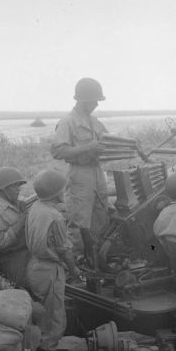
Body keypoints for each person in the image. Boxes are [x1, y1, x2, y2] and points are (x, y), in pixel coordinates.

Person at [50, 77, 109, 265]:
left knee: (101, 214)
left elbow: (107, 141)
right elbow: (57, 151)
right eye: (94, 101)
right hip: (80, 173)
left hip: (97, 172)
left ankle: (98, 259)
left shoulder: (95, 122)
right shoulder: (68, 122)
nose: (96, 105)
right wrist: (88, 148)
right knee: (79, 220)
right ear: (83, 100)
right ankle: (78, 262)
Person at [25, 169, 80, 351]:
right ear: (57, 193)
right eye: (62, 190)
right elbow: (65, 251)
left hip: (34, 266)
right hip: (49, 271)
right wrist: (74, 271)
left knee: (42, 315)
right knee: (54, 321)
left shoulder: (35, 208)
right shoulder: (55, 217)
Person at [0, 166, 31, 287]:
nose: (18, 190)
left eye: (19, 186)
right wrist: (20, 222)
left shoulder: (17, 204)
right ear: (4, 189)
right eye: (15, 186)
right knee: (27, 287)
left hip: (27, 253)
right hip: (11, 260)